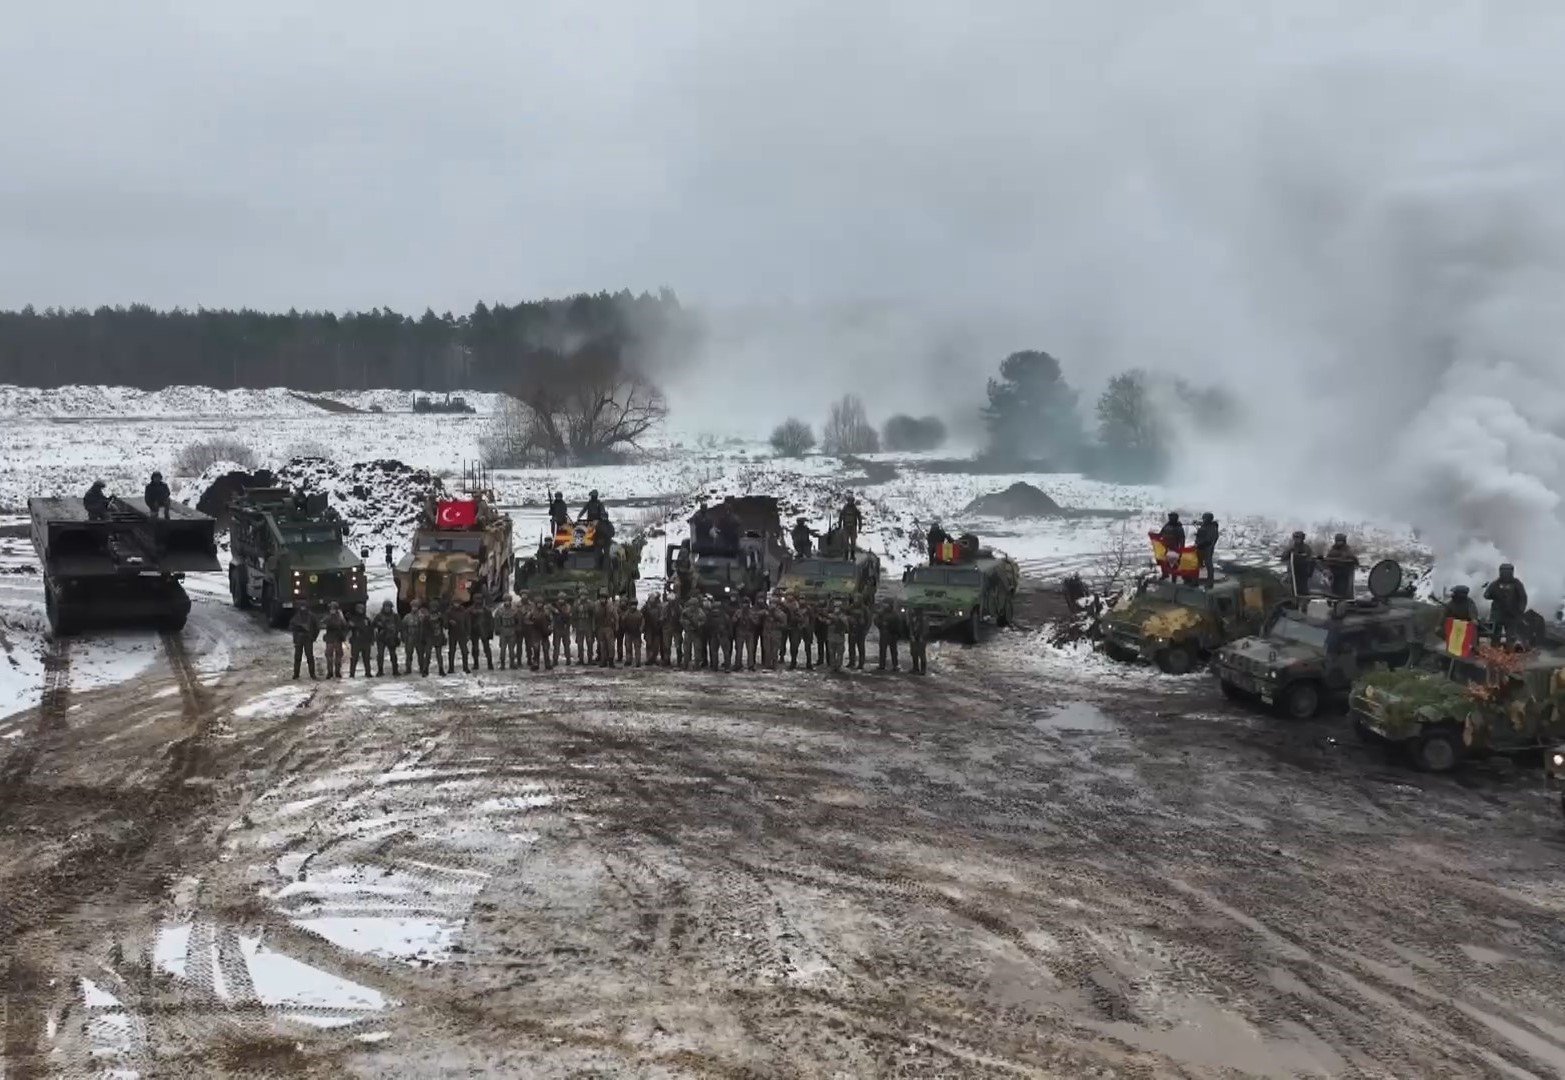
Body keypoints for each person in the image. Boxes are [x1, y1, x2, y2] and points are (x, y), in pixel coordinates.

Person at [1484, 563, 1529, 645]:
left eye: (1507, 571)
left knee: (1511, 637)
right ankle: (1495, 650)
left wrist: (1520, 610)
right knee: (1495, 636)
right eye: (1504, 571)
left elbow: (1523, 598)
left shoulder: (1516, 583)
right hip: (1497, 614)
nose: (1505, 574)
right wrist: (1493, 594)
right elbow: (1486, 595)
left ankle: (1509, 650)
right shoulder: (1495, 583)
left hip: (1511, 614)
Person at [1322, 534, 1359, 599]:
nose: (1339, 543)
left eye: (1341, 541)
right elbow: (1327, 560)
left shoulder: (1347, 550)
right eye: (1338, 541)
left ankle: (1344, 598)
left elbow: (1354, 559)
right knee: (1334, 588)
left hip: (1345, 573)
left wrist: (1349, 561)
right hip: (1334, 573)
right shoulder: (1333, 550)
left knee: (1344, 589)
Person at [1279, 532, 1315, 596]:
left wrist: (1302, 557)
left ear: (1302, 538)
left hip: (1303, 572)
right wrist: (1288, 553)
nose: (1296, 539)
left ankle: (1303, 599)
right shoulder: (1291, 548)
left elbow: (1311, 559)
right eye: (1295, 537)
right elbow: (1283, 558)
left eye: (1298, 537)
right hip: (1293, 572)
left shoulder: (1306, 548)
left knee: (1303, 589)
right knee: (1293, 589)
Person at [289, 603, 320, 680]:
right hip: (299, 639)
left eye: (304, 607)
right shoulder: (297, 616)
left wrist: (313, 637)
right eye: (302, 607)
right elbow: (291, 626)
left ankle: (312, 674)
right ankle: (296, 674)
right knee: (297, 657)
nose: (303, 608)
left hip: (308, 638)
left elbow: (317, 627)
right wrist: (297, 631)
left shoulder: (311, 616)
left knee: (309, 656)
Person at [372, 600, 401, 676]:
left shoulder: (395, 616)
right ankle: (380, 671)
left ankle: (395, 670)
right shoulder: (379, 616)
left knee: (393, 655)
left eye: (388, 607)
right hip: (381, 638)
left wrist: (397, 635)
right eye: (386, 606)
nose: (387, 608)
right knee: (380, 655)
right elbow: (373, 624)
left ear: (391, 607)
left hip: (391, 638)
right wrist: (378, 626)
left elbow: (399, 626)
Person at [875, 600, 904, 672]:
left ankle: (895, 665)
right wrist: (881, 625)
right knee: (883, 650)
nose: (885, 606)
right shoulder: (882, 613)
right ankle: (882, 665)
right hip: (884, 633)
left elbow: (898, 624)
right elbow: (876, 620)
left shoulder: (894, 614)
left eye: (887, 604)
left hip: (892, 634)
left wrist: (897, 633)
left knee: (893, 651)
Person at [322, 602, 348, 679]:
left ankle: (337, 672)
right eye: (331, 609)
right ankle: (330, 672)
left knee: (338, 656)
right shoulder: (329, 617)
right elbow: (323, 622)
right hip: (330, 639)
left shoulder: (340, 618)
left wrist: (343, 636)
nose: (332, 610)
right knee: (329, 656)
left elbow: (345, 627)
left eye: (333, 609)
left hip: (337, 639)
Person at [1193, 513, 1219, 588]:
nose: (1204, 519)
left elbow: (1209, 540)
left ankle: (1210, 581)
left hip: (1207, 548)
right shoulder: (1205, 525)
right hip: (1200, 547)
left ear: (1209, 519)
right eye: (1203, 518)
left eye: (1205, 518)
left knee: (1208, 564)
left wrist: (1200, 543)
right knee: (1196, 564)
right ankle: (1195, 580)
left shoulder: (1212, 527)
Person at [446, 600, 472, 675]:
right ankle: (451, 668)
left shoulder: (464, 612)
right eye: (455, 603)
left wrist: (468, 634)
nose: (456, 604)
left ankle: (465, 667)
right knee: (451, 652)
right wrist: (449, 622)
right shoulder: (449, 612)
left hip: (462, 634)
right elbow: (445, 624)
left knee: (464, 651)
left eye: (457, 603)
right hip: (452, 634)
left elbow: (468, 623)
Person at [348, 608, 375, 678]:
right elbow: (348, 629)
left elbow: (371, 629)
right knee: (354, 658)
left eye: (362, 609)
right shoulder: (353, 619)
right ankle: (352, 673)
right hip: (356, 641)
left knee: (367, 658)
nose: (361, 611)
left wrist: (372, 639)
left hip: (366, 641)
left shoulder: (367, 619)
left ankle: (368, 672)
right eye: (359, 609)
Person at [470, 598, 494, 671]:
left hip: (483, 631)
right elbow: (468, 621)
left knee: (485, 648)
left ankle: (489, 664)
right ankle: (477, 664)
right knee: (476, 649)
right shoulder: (471, 610)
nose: (478, 601)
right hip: (475, 631)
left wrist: (490, 632)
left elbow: (491, 621)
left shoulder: (486, 610)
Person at [594, 592, 618, 667]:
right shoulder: (596, 605)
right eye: (601, 598)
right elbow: (594, 617)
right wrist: (594, 627)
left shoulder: (610, 606)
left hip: (609, 627)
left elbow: (616, 617)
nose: (602, 600)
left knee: (611, 645)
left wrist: (616, 627)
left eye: (604, 598)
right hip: (600, 627)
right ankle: (603, 660)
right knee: (602, 645)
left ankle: (611, 660)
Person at [494, 597, 519, 670]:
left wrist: (517, 629)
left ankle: (512, 663)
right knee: (502, 649)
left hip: (512, 630)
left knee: (511, 649)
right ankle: (502, 664)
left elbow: (517, 621)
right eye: (505, 601)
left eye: (508, 601)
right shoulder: (500, 610)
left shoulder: (514, 610)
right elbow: (497, 621)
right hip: (503, 631)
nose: (507, 602)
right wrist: (497, 630)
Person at [425, 602, 449, 676]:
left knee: (439, 655)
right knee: (428, 654)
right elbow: (424, 628)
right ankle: (425, 669)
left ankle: (441, 669)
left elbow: (445, 626)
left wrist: (442, 619)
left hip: (438, 637)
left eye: (435, 607)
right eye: (432, 607)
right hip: (429, 637)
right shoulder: (427, 617)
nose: (433, 608)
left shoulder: (440, 616)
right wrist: (423, 638)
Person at [734, 598, 757, 671]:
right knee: (739, 650)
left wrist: (751, 619)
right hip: (740, 632)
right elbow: (733, 621)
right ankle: (738, 664)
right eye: (744, 603)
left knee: (750, 650)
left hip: (749, 632)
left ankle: (751, 665)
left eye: (746, 603)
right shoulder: (738, 612)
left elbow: (756, 622)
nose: (745, 605)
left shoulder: (752, 612)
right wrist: (737, 618)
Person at [530, 600, 554, 669]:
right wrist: (532, 624)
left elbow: (551, 620)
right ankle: (536, 663)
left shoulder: (546, 612)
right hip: (536, 631)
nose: (539, 605)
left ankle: (547, 663)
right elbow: (527, 619)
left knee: (546, 648)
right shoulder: (533, 612)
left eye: (541, 603)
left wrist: (550, 628)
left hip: (544, 631)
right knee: (536, 648)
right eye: (538, 603)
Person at [401, 600, 423, 675]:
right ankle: (408, 668)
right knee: (409, 654)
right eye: (413, 607)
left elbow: (424, 627)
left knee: (420, 654)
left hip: (418, 637)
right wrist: (404, 637)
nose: (414, 608)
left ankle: (422, 668)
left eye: (416, 607)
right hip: (410, 637)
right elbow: (403, 627)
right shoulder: (407, 617)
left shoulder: (421, 616)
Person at [847, 601, 870, 670]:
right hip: (852, 630)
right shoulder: (851, 607)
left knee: (861, 648)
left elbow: (868, 620)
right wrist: (849, 621)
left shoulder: (864, 608)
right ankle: (851, 662)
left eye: (858, 599)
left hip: (861, 631)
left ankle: (861, 663)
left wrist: (866, 629)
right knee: (851, 647)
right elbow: (846, 615)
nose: (856, 600)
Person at [825, 602, 848, 672]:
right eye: (835, 607)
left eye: (838, 607)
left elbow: (846, 625)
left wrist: (839, 620)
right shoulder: (830, 615)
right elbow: (827, 622)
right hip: (831, 637)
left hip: (840, 637)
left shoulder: (843, 616)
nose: (836, 608)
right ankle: (832, 666)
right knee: (831, 653)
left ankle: (839, 666)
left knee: (840, 653)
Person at [621, 599, 644, 667]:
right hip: (628, 632)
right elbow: (623, 620)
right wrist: (624, 628)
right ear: (630, 605)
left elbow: (642, 623)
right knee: (628, 648)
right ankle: (628, 660)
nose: (633, 606)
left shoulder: (639, 613)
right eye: (632, 605)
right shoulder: (627, 613)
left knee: (637, 648)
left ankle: (638, 661)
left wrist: (640, 630)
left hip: (636, 633)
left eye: (635, 605)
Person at [907, 606, 930, 675]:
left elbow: (925, 629)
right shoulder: (913, 617)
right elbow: (911, 627)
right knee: (914, 652)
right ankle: (915, 667)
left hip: (921, 638)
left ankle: (923, 670)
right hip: (914, 637)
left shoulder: (923, 618)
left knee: (921, 653)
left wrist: (922, 636)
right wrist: (912, 635)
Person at [551, 597, 573, 667]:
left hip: (565, 628)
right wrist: (554, 610)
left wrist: (560, 612)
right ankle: (555, 660)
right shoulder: (554, 606)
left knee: (566, 645)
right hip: (557, 628)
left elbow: (568, 614)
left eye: (562, 599)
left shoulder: (567, 606)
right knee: (556, 645)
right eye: (560, 599)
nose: (561, 600)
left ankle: (568, 659)